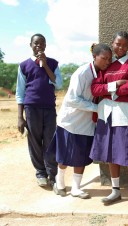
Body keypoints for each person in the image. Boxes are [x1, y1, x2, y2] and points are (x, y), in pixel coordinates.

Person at [90, 31, 128, 213]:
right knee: (111, 154)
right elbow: (95, 88)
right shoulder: (106, 64)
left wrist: (110, 93)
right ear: (112, 44)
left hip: (125, 115)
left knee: (127, 155)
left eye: (124, 45)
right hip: (106, 116)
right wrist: (115, 86)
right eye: (118, 44)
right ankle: (115, 190)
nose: (120, 48)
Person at [49, 43, 112, 199]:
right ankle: (60, 183)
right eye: (104, 58)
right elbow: (72, 100)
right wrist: (96, 108)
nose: (107, 62)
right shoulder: (82, 73)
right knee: (64, 155)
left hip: (87, 124)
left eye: (109, 59)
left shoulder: (102, 74)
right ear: (94, 57)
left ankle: (76, 188)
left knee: (82, 156)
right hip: (70, 122)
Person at [15, 33, 62, 188]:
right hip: (31, 108)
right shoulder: (24, 66)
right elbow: (20, 92)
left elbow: (59, 84)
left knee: (50, 141)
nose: (38, 46)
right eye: (35, 43)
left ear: (45, 46)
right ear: (31, 45)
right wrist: (20, 117)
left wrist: (45, 65)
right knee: (35, 142)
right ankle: (40, 173)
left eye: (42, 43)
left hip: (49, 108)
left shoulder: (53, 64)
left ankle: (52, 174)